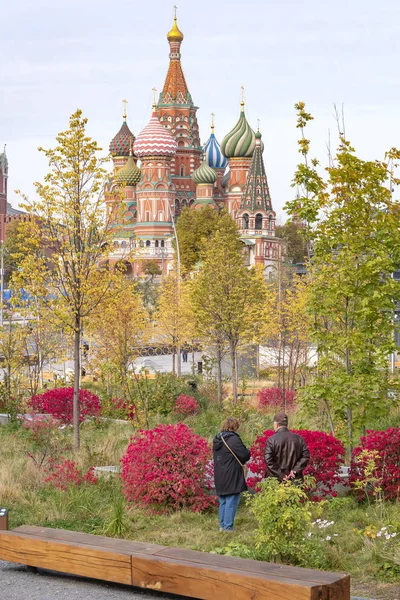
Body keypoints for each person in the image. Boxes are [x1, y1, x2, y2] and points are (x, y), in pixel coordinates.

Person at [213, 417, 251, 531]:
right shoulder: (233, 439)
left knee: (223, 501)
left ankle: (222, 525)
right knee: (231, 501)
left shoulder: (217, 439)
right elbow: (244, 455)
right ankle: (228, 528)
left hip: (219, 474)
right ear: (234, 427)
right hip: (232, 473)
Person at [264, 412, 309, 482]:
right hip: (295, 480)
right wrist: (295, 470)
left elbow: (269, 461)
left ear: (276, 424)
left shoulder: (271, 440)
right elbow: (305, 456)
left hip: (276, 481)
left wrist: (280, 474)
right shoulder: (299, 439)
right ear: (286, 424)